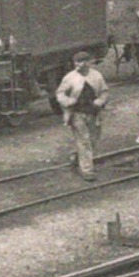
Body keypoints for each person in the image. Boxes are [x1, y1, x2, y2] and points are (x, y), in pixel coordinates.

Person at [56, 50, 110, 180]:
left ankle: (77, 157)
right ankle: (87, 170)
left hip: (94, 113)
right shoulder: (69, 78)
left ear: (88, 63)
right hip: (77, 114)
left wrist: (100, 101)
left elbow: (104, 91)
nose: (78, 66)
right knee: (83, 140)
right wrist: (69, 101)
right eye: (76, 63)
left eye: (81, 63)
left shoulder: (96, 76)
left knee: (93, 139)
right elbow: (60, 94)